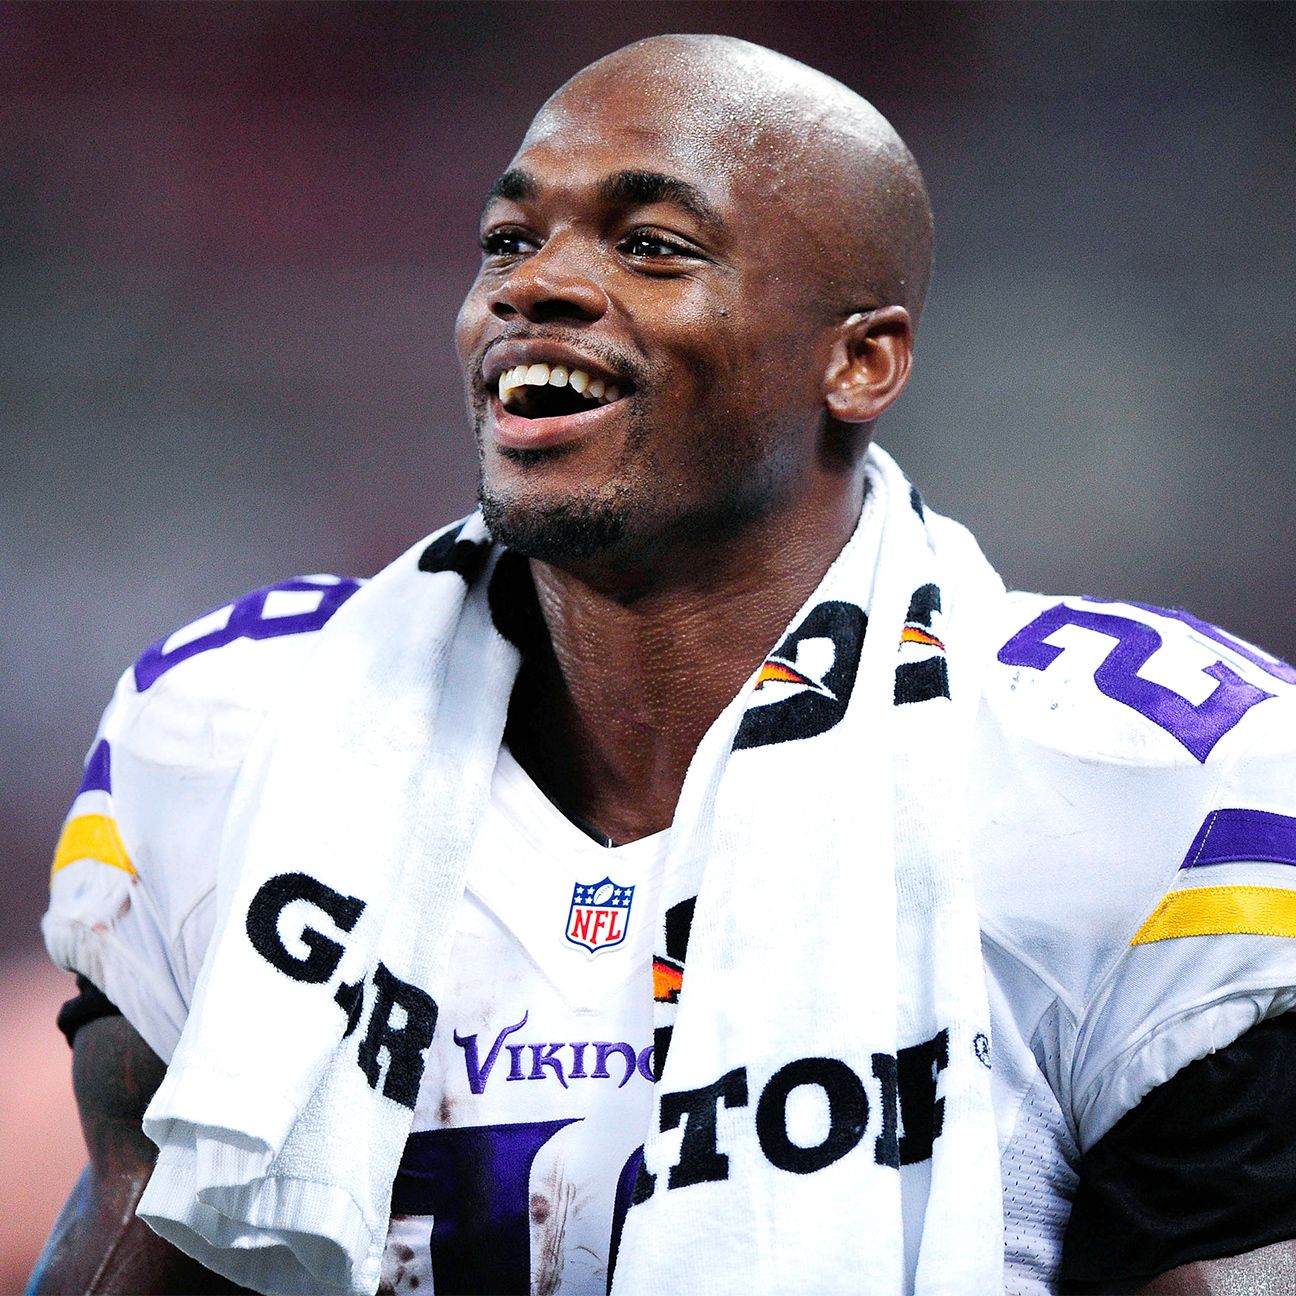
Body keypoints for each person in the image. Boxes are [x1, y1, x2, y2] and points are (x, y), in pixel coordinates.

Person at [30, 34, 1296, 1296]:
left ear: (859, 361)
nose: (536, 286)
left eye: (651, 247)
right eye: (508, 242)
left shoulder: (1140, 780)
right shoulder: (240, 731)